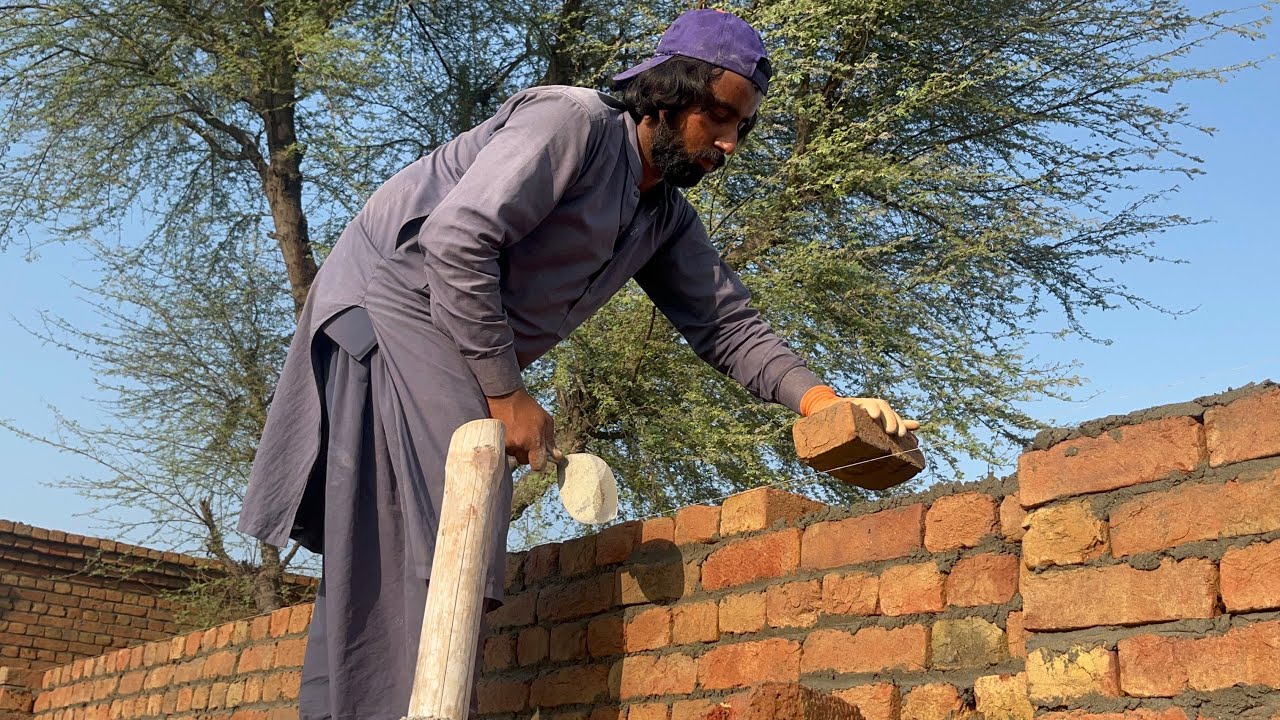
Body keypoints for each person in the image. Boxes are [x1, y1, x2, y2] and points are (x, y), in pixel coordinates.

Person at [237, 8, 918, 720]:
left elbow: (727, 325)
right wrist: (505, 396)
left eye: (741, 127)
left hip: (434, 336)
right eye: (717, 117)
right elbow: (456, 242)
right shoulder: (571, 124)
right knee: (447, 527)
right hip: (388, 312)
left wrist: (826, 404)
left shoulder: (663, 219)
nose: (728, 142)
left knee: (378, 556)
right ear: (665, 93)